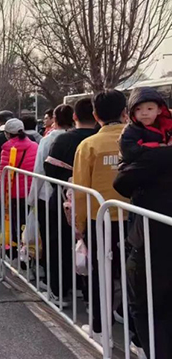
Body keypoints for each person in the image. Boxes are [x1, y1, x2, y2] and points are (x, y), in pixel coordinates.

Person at [113, 88, 172, 358]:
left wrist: (155, 156)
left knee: (147, 303)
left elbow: (122, 181)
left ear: (160, 109)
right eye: (140, 109)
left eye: (150, 108)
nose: (145, 113)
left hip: (149, 235)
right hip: (151, 231)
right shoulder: (134, 135)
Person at [73, 90, 129, 339]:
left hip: (100, 219)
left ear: (95, 115)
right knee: (134, 274)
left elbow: (80, 190)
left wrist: (79, 224)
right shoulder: (138, 141)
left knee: (100, 273)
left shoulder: (89, 146)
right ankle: (135, 330)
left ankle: (99, 328)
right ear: (125, 112)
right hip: (137, 219)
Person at [43, 97, 98, 304]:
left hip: (63, 202)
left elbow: (49, 171)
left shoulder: (62, 140)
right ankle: (87, 292)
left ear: (75, 116)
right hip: (97, 205)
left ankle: (59, 291)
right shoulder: (101, 139)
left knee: (60, 245)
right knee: (93, 249)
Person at [27, 104, 74, 302]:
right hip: (77, 198)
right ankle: (75, 284)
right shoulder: (80, 137)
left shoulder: (49, 139)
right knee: (72, 242)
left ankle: (56, 286)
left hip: (49, 197)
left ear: (55, 118)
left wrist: (31, 198)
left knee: (53, 242)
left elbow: (39, 170)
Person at [0, 118, 38, 249]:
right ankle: (27, 248)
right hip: (30, 191)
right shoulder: (34, 146)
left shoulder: (7, 148)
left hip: (13, 192)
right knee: (28, 221)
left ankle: (16, 247)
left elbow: (3, 173)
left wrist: (0, 192)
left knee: (15, 221)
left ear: (8, 134)